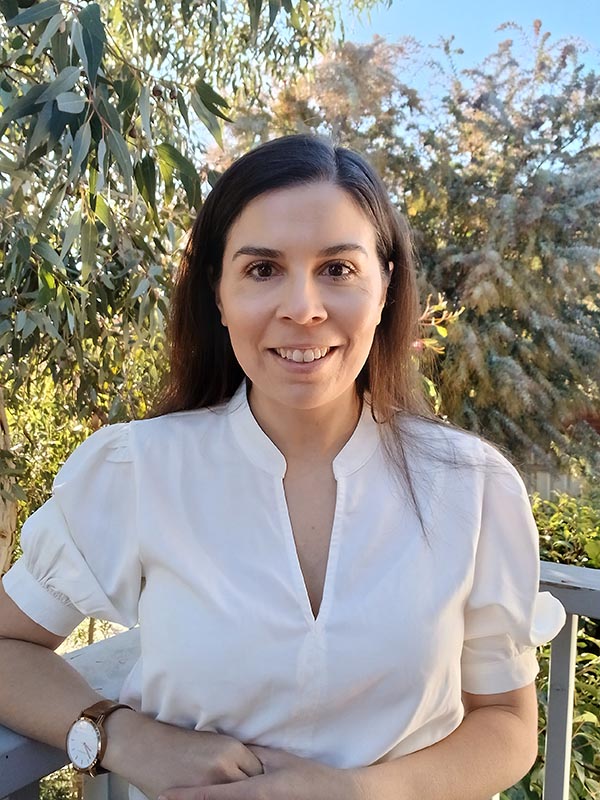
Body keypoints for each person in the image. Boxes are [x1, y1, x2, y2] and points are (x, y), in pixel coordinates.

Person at [0, 134, 566, 800]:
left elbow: (505, 722)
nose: (303, 308)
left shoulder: (473, 487)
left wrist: (356, 792)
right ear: (218, 294)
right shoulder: (138, 469)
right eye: (263, 269)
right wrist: (120, 736)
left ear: (385, 287)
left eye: (337, 268)